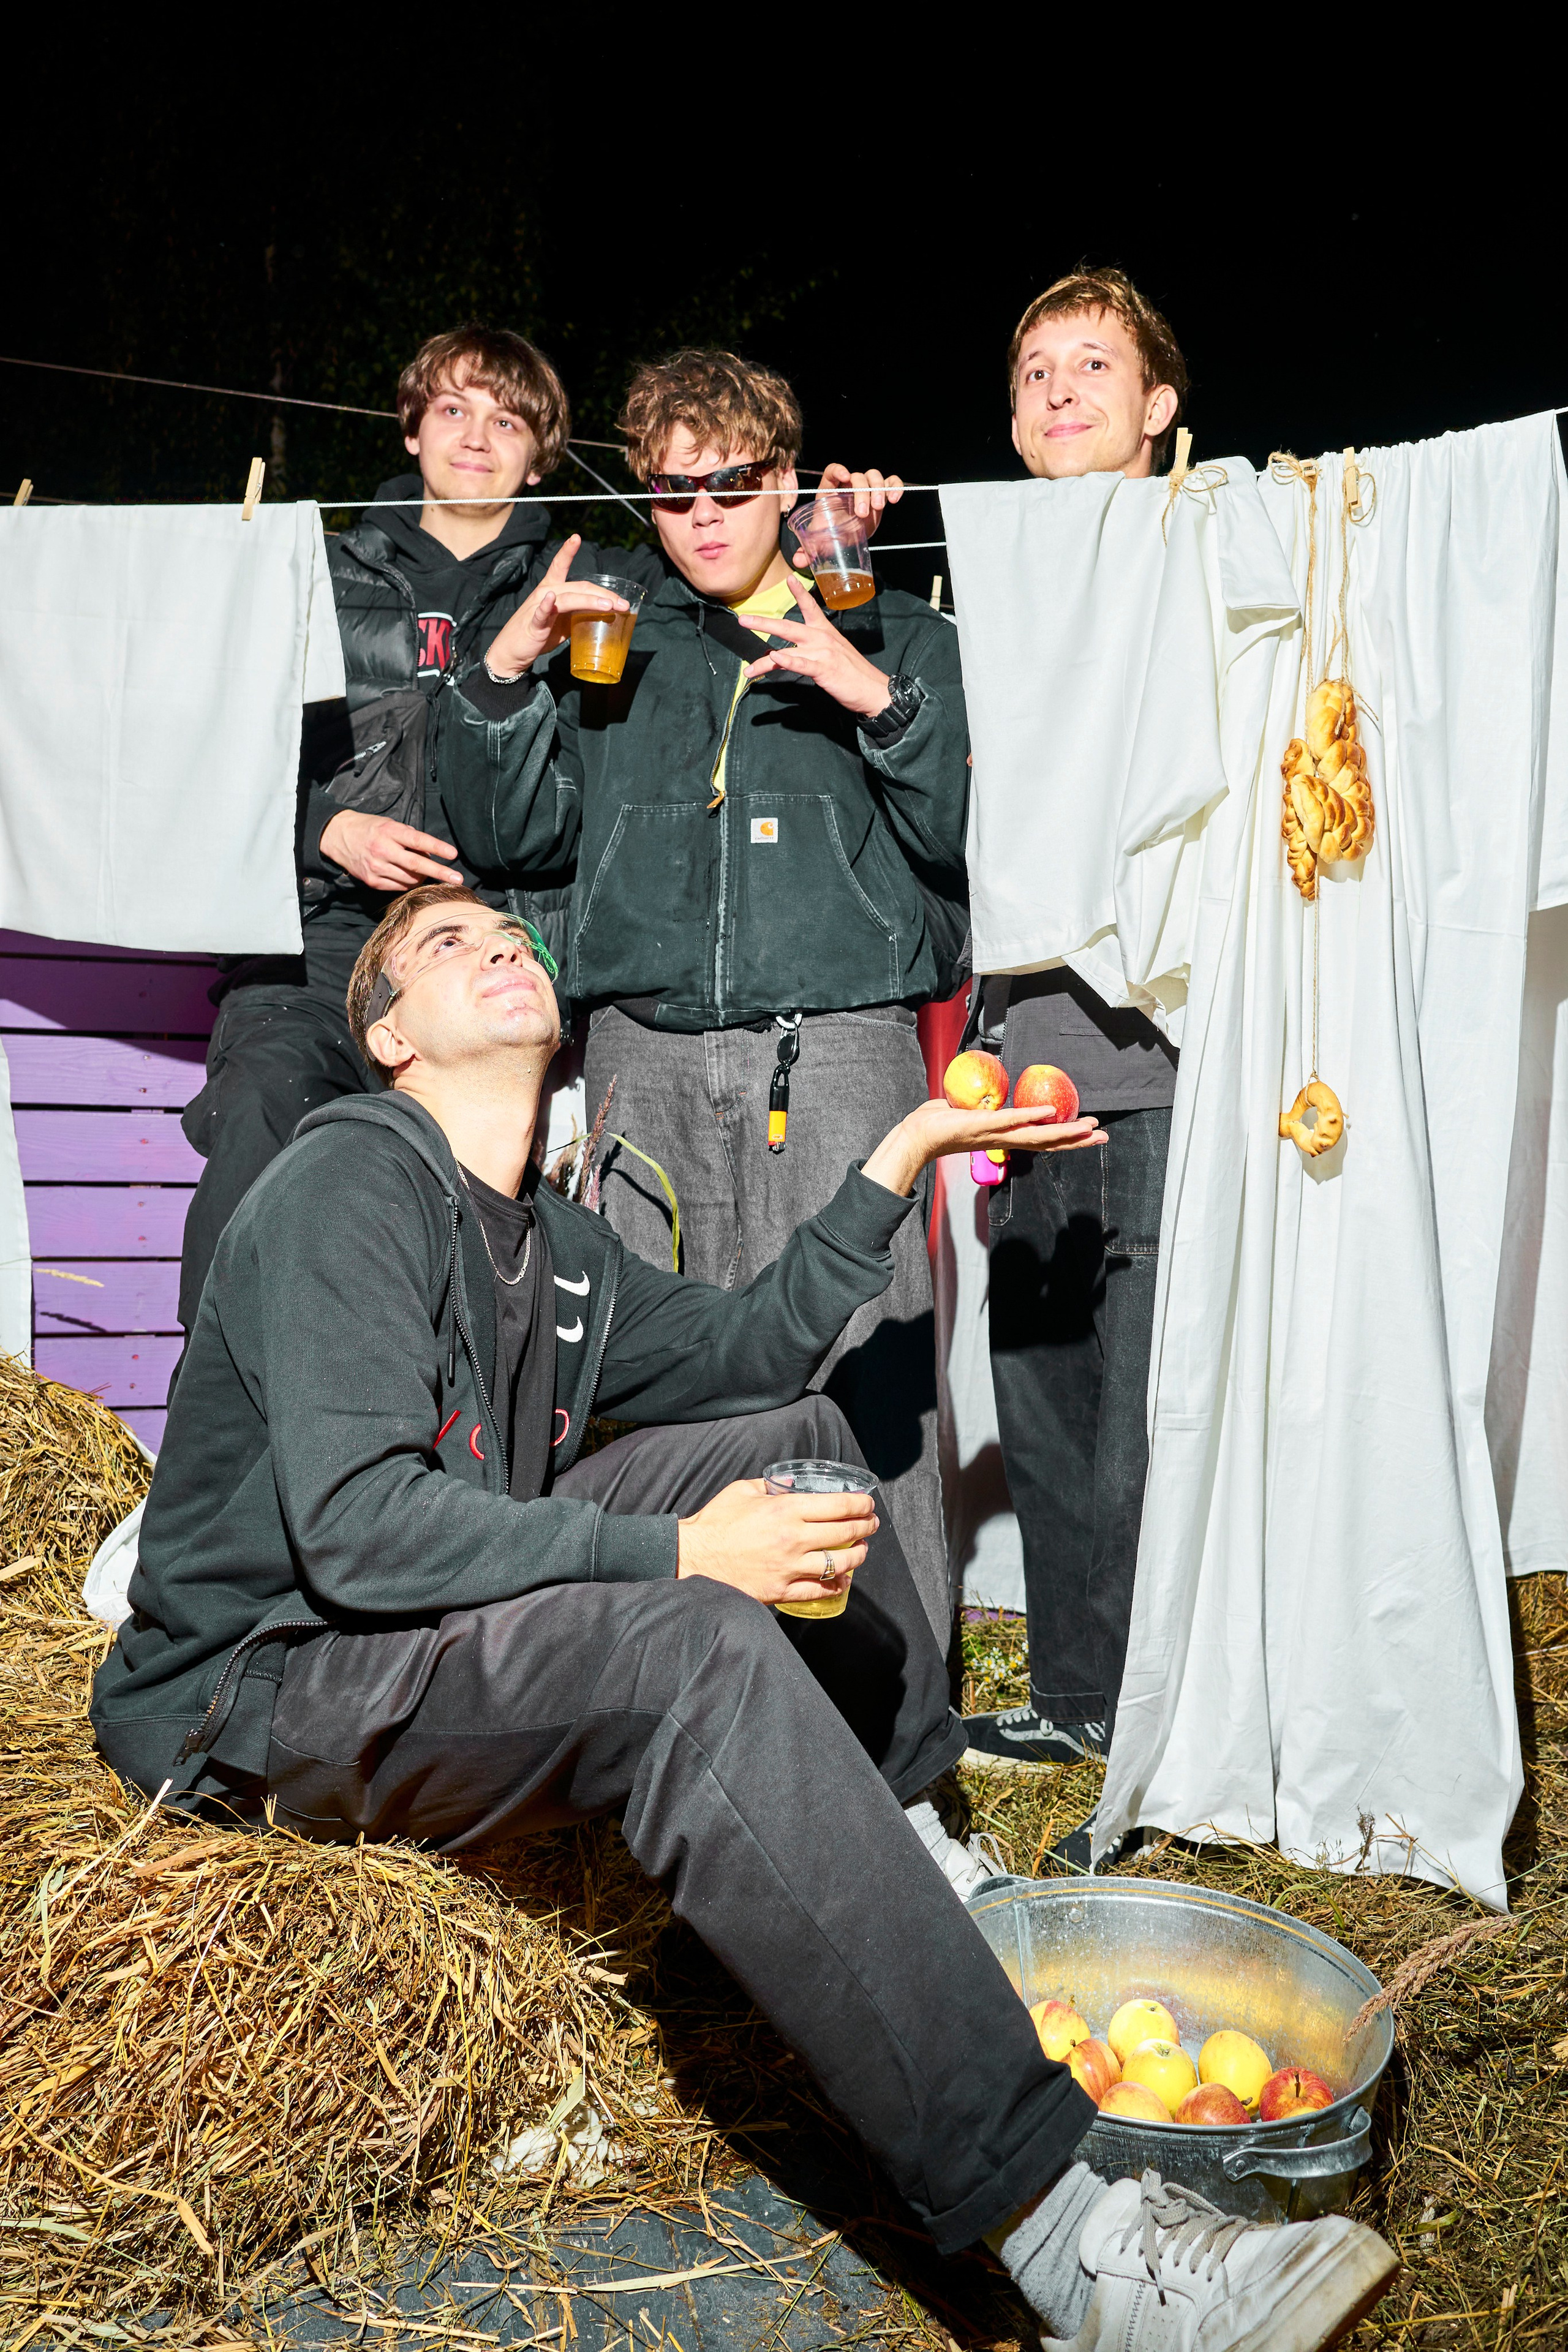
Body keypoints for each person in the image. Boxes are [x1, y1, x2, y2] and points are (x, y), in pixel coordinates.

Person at [91, 883, 1393, 2352]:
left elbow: (749, 1347)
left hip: (412, 1607)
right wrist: (677, 1553)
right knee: (691, 1642)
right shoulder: (349, 1182)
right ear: (390, 1037)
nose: (502, 945)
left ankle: (914, 1852)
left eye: (511, 935)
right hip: (271, 1679)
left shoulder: (552, 1242)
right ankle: (1082, 2250)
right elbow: (357, 1529)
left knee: (795, 1441)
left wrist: (897, 1157)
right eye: (446, 945)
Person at [442, 347, 966, 1638]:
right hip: (646, 1055)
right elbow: (510, 839)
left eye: (732, 485)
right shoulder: (612, 641)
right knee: (659, 1391)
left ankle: (899, 1716)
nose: (703, 516)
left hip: (838, 1053)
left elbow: (969, 836)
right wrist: (503, 678)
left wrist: (870, 694)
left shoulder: (892, 625)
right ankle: (681, 1686)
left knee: (864, 1374)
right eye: (674, 493)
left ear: (785, 480)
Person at [173, 322, 644, 1351]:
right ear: (411, 428)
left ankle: (445, 1433)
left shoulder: (592, 589)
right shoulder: (312, 574)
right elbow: (215, 758)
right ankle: (218, 1416)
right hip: (324, 939)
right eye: (454, 410)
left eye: (508, 422)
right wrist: (326, 829)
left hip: (500, 933)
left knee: (468, 1210)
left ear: (542, 455)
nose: (477, 436)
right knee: (265, 1106)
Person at [962, 270, 1188, 1784]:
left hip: (1155, 1065)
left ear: (1156, 405)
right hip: (1023, 1064)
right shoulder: (993, 591)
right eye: (1034, 370)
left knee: (1142, 1409)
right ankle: (1073, 1696)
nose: (1056, 390)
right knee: (1042, 1390)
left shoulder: (1200, 549)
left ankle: (1156, 1711)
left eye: (1091, 365)